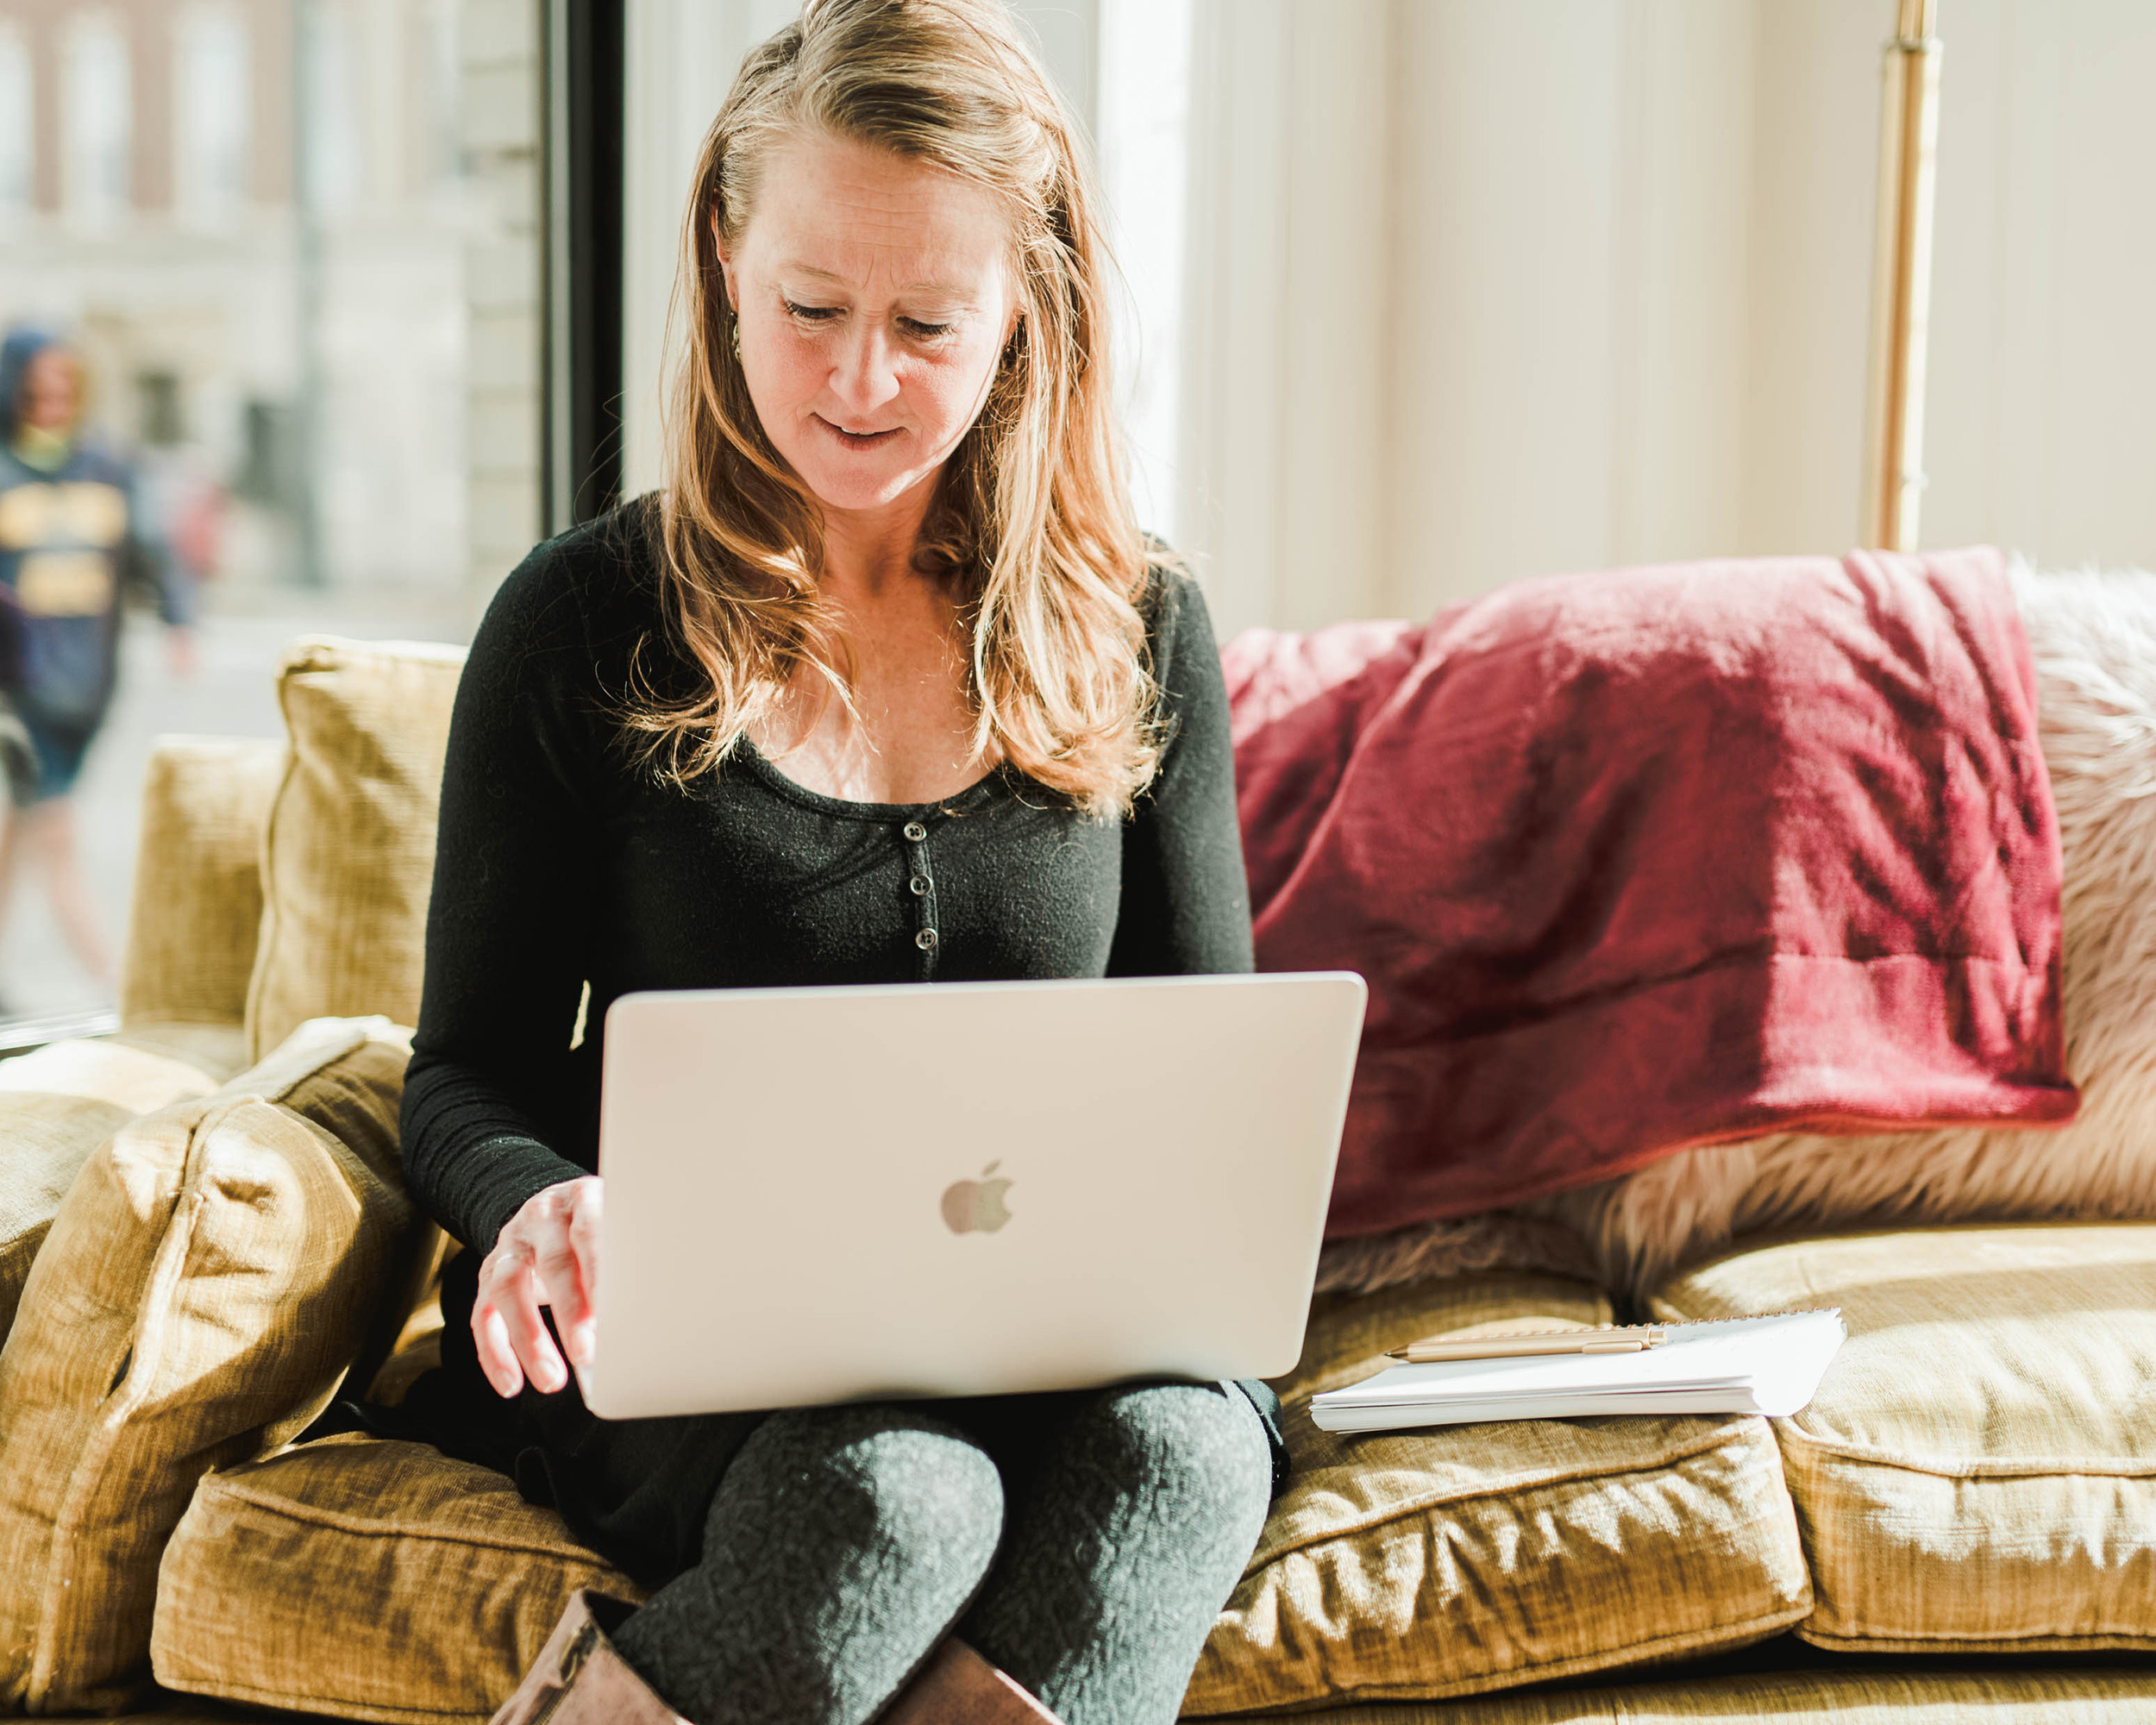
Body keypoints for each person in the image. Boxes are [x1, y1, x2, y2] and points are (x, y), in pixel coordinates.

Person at [395, 3, 1280, 1722]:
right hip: (696, 1350)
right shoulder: (582, 619)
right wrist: (533, 1203)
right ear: (726, 258)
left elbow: (1211, 1084)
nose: (859, 380)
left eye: (925, 323)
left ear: (1025, 311)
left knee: (1183, 1449)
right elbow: (463, 1074)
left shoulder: (1137, 623)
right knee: (894, 1493)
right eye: (810, 309)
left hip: (1060, 1336)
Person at [0, 326, 194, 996]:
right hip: (19, 691)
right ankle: (118, 989)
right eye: (36, 390)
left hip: (88, 687)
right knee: (52, 832)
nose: (51, 403)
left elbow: (151, 551)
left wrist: (179, 619)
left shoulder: (108, 469)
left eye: (64, 389)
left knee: (22, 826)